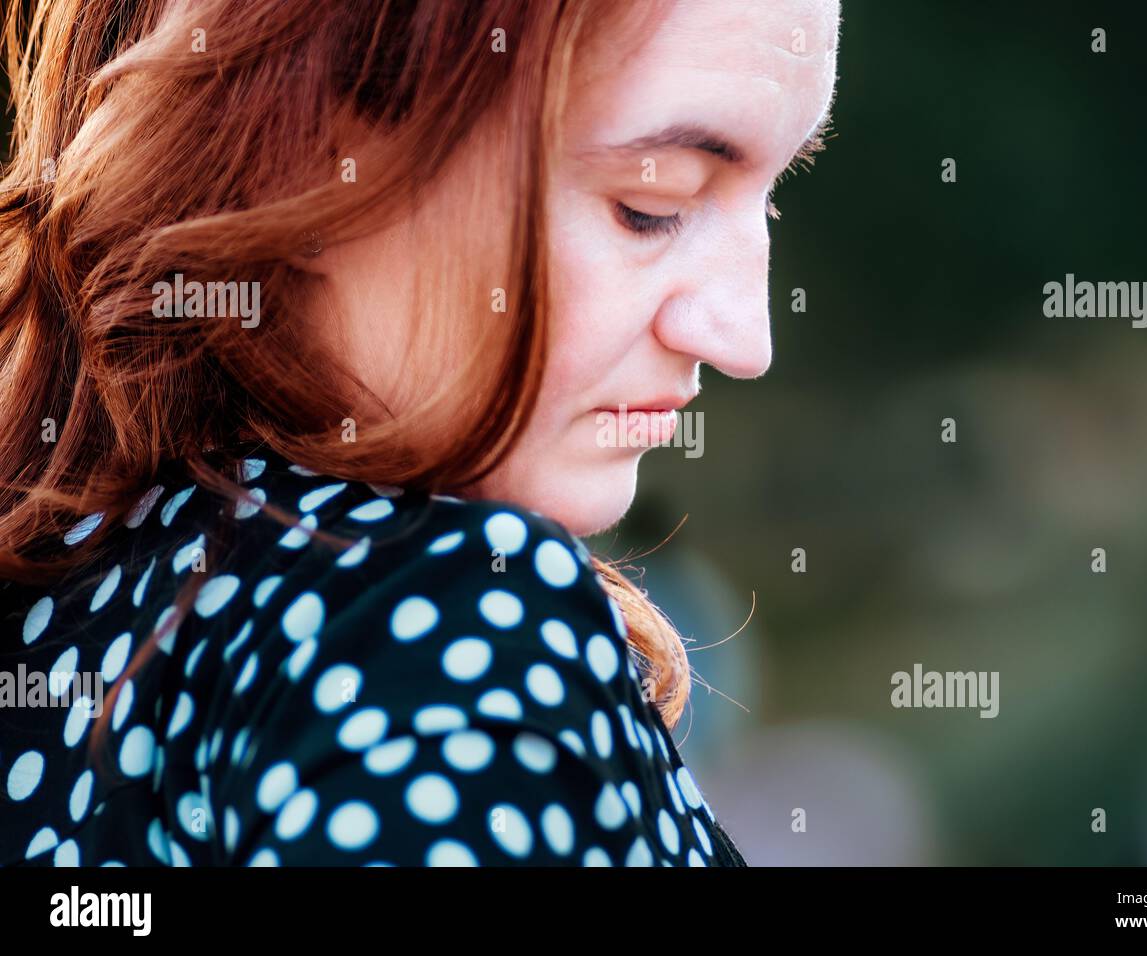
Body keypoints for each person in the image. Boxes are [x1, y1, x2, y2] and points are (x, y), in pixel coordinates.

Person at [0, 0, 839, 866]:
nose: (745, 340)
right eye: (651, 202)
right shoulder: (442, 629)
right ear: (311, 162)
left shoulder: (77, 608)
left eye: (768, 203)